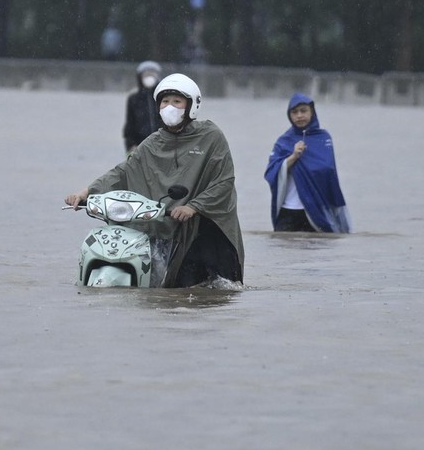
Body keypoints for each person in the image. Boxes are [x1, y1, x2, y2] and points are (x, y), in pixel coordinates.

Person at [66, 72, 243, 288]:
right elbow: (123, 172)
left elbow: (224, 181)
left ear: (191, 106)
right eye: (165, 102)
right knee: (165, 295)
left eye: (177, 101)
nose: (170, 107)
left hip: (205, 230)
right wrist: (87, 192)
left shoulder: (211, 136)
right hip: (166, 223)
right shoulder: (152, 143)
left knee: (210, 291)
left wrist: (194, 207)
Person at [264, 93, 351, 233]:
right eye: (294, 112)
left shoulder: (323, 138)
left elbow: (329, 172)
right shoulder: (283, 141)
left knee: (315, 250)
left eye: (303, 111)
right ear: (289, 115)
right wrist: (293, 157)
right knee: (283, 249)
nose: (299, 115)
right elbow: (270, 172)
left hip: (316, 209)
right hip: (288, 210)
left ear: (312, 112)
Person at [122, 60, 162, 152]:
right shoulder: (134, 99)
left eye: (152, 74)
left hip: (162, 145)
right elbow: (130, 125)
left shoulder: (162, 97)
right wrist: (130, 145)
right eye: (146, 75)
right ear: (140, 77)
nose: (149, 77)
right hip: (140, 146)